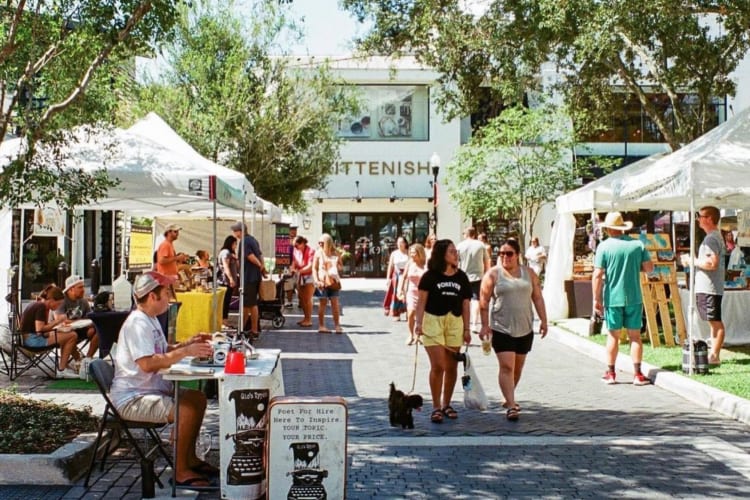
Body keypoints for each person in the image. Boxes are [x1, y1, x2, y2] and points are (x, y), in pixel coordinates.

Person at [109, 271, 215, 488]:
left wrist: (187, 344)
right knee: (185, 409)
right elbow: (148, 363)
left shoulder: (150, 319)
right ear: (151, 297)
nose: (170, 297)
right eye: (166, 293)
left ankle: (190, 458)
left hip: (150, 390)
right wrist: (186, 352)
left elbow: (164, 349)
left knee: (197, 398)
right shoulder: (138, 323)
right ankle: (180, 470)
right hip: (133, 398)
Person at [479, 239, 548, 421]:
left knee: (517, 368)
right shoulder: (493, 274)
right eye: (501, 254)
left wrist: (544, 320)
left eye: (509, 253)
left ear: (517, 255)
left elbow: (538, 298)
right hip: (501, 327)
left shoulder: (529, 273)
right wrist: (484, 325)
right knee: (507, 366)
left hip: (525, 327)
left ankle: (508, 395)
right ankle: (511, 404)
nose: (504, 257)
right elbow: (484, 301)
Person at [592, 212, 654, 386]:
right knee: (635, 336)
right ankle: (638, 374)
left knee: (613, 336)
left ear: (609, 229)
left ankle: (611, 373)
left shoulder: (603, 247)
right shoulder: (637, 245)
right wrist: (634, 267)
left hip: (612, 297)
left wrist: (595, 299)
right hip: (634, 296)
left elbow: (597, 275)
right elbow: (649, 268)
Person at [414, 239, 472, 424]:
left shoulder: (461, 277)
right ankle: (436, 406)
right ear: (442, 255)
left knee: (452, 365)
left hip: (454, 321)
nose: (456, 255)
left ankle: (447, 404)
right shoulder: (430, 276)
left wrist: (467, 328)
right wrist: (418, 323)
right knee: (438, 365)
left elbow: (466, 303)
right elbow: (421, 301)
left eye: (456, 252)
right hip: (433, 321)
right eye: (452, 252)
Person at [19, 284, 81, 379]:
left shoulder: (38, 304)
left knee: (66, 334)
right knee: (72, 335)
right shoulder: (41, 306)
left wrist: (57, 329)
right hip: (33, 341)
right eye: (58, 303)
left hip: (29, 338)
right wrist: (58, 321)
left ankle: (65, 366)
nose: (58, 306)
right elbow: (40, 329)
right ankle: (62, 369)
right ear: (52, 300)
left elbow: (41, 329)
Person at [692, 206, 726, 365]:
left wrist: (692, 261)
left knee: (715, 321)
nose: (698, 219)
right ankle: (713, 353)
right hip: (709, 286)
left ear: (710, 219)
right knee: (713, 321)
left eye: (700, 216)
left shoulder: (712, 238)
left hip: (709, 287)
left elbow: (712, 263)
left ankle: (715, 356)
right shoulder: (713, 237)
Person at [231, 221, 267, 336]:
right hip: (254, 276)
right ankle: (244, 328)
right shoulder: (253, 239)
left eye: (235, 231)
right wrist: (262, 267)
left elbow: (250, 256)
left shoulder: (244, 242)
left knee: (250, 304)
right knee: (249, 304)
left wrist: (260, 266)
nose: (234, 233)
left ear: (240, 231)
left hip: (249, 276)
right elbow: (260, 254)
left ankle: (253, 329)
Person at [54, 275, 98, 360]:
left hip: (80, 330)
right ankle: (78, 359)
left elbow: (90, 318)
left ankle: (88, 358)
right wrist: (81, 322)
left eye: (83, 287)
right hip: (62, 332)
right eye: (80, 287)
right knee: (70, 334)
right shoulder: (62, 301)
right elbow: (60, 321)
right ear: (71, 289)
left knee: (98, 331)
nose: (83, 290)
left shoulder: (83, 301)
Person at [456, 227, 491, 334]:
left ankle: (462, 323)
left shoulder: (460, 245)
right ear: (474, 234)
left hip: (463, 276)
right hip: (478, 276)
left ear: (466, 234)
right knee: (476, 300)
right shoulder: (481, 245)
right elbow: (487, 261)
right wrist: (487, 274)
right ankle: (474, 324)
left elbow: (455, 261)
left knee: (463, 300)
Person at [312, 233, 343, 333]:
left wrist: (336, 267)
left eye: (322, 242)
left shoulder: (335, 253)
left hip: (333, 281)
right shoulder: (318, 253)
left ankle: (337, 326)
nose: (320, 244)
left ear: (328, 243)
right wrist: (316, 280)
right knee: (323, 303)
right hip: (322, 282)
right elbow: (314, 268)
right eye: (319, 242)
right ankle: (321, 326)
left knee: (335, 303)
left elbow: (341, 266)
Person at [398, 243, 427, 346]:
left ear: (420, 253)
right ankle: (411, 334)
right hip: (411, 292)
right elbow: (404, 277)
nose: (412, 254)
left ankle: (421, 335)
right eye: (411, 252)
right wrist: (400, 290)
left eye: (414, 253)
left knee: (423, 315)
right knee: (410, 314)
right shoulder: (410, 263)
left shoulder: (426, 264)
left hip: (424, 293)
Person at [291, 235, 316, 327]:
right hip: (300, 275)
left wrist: (299, 271)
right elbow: (294, 261)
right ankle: (305, 318)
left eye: (297, 245)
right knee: (301, 298)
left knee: (307, 298)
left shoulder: (311, 251)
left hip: (309, 276)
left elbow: (310, 266)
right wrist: (293, 268)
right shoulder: (296, 251)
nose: (295, 247)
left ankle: (309, 319)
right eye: (294, 246)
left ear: (303, 243)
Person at [384, 236, 409, 320]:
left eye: (401, 242)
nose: (399, 244)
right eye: (398, 242)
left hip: (406, 275)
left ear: (405, 243)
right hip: (397, 275)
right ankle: (396, 313)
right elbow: (390, 266)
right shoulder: (394, 253)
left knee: (406, 293)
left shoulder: (409, 253)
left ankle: (408, 312)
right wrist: (388, 278)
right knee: (395, 294)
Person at [217, 235, 239, 328]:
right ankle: (223, 321)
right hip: (225, 281)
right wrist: (231, 279)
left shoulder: (230, 253)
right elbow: (226, 266)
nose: (235, 246)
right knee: (225, 302)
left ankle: (224, 320)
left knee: (227, 301)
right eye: (235, 244)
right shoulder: (225, 252)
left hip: (228, 281)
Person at [285, 226, 298, 307]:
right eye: (292, 230)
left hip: (297, 265)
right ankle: (289, 301)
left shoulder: (299, 241)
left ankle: (301, 302)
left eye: (295, 230)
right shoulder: (286, 242)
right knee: (289, 285)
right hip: (288, 265)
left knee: (299, 284)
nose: (294, 232)